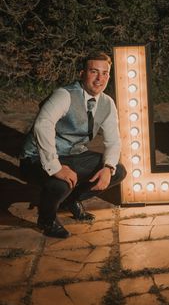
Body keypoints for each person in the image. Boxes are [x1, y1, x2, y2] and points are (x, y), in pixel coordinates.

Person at [20, 52, 126, 238]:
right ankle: (46, 218)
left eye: (105, 73)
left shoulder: (107, 103)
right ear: (82, 73)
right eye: (94, 71)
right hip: (36, 157)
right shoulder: (64, 95)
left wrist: (108, 168)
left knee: (118, 171)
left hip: (73, 154)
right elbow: (42, 125)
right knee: (62, 184)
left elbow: (113, 140)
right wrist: (56, 168)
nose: (100, 78)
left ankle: (70, 200)